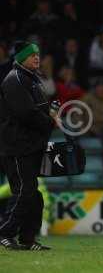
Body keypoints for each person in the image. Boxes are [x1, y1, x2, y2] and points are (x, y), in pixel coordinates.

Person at [0, 41, 61, 250]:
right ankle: (5, 233)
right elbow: (26, 114)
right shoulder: (14, 80)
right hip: (18, 147)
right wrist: (51, 121)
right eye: (31, 55)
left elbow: (37, 111)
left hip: (30, 146)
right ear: (21, 58)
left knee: (34, 195)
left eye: (38, 54)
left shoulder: (31, 79)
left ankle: (28, 239)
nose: (37, 58)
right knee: (24, 190)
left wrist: (50, 113)